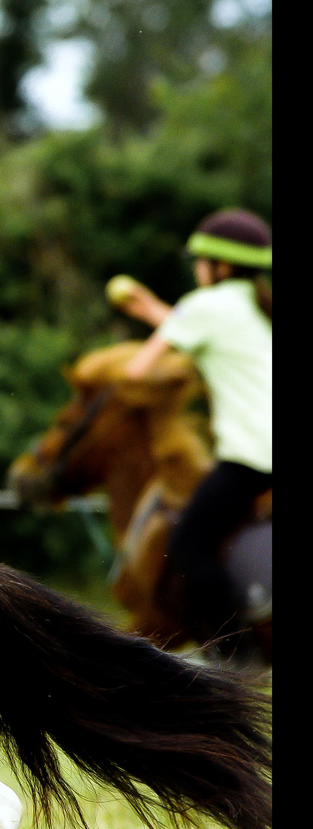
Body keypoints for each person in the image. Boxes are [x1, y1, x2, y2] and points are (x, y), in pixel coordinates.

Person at [114, 209, 272, 653]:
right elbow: (203, 332)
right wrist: (153, 311)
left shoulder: (204, 308)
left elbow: (137, 370)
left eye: (199, 262)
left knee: (187, 549)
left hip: (252, 457)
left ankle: (237, 656)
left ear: (219, 266)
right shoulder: (258, 306)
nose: (197, 270)